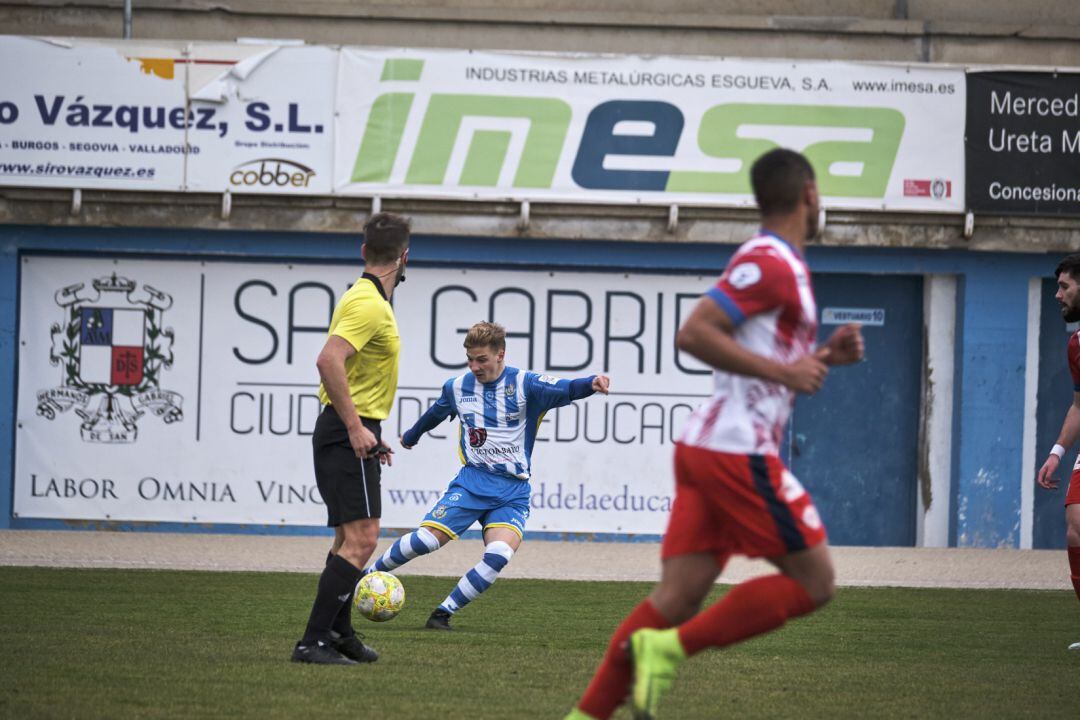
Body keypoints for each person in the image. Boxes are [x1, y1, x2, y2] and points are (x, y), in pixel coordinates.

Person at [565, 148, 865, 720]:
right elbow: (696, 332)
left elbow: (764, 363)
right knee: (817, 581)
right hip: (735, 451)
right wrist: (788, 370)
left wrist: (824, 355)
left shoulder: (785, 267)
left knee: (675, 598)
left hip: (708, 449)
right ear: (810, 194)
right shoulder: (770, 262)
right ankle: (669, 649)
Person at [366, 321, 610, 630]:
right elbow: (435, 414)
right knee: (426, 541)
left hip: (513, 491)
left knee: (499, 554)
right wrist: (412, 435)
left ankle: (442, 614)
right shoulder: (457, 387)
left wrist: (592, 382)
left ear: (500, 355)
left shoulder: (526, 384)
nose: (475, 366)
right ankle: (366, 577)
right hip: (473, 482)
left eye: (481, 359)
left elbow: (565, 387)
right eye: (470, 359)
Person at [291, 211, 412, 665]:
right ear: (405, 257)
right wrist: (357, 427)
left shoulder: (364, 296)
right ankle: (312, 641)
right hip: (348, 429)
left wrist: (366, 430)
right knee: (363, 540)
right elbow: (328, 361)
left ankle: (339, 634)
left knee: (348, 539)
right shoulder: (368, 303)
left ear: (363, 251)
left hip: (353, 428)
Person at [1035, 252, 1080, 652]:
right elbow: (1079, 406)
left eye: (1064, 286)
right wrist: (1056, 452)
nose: (1057, 295)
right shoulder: (1076, 345)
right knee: (1075, 526)